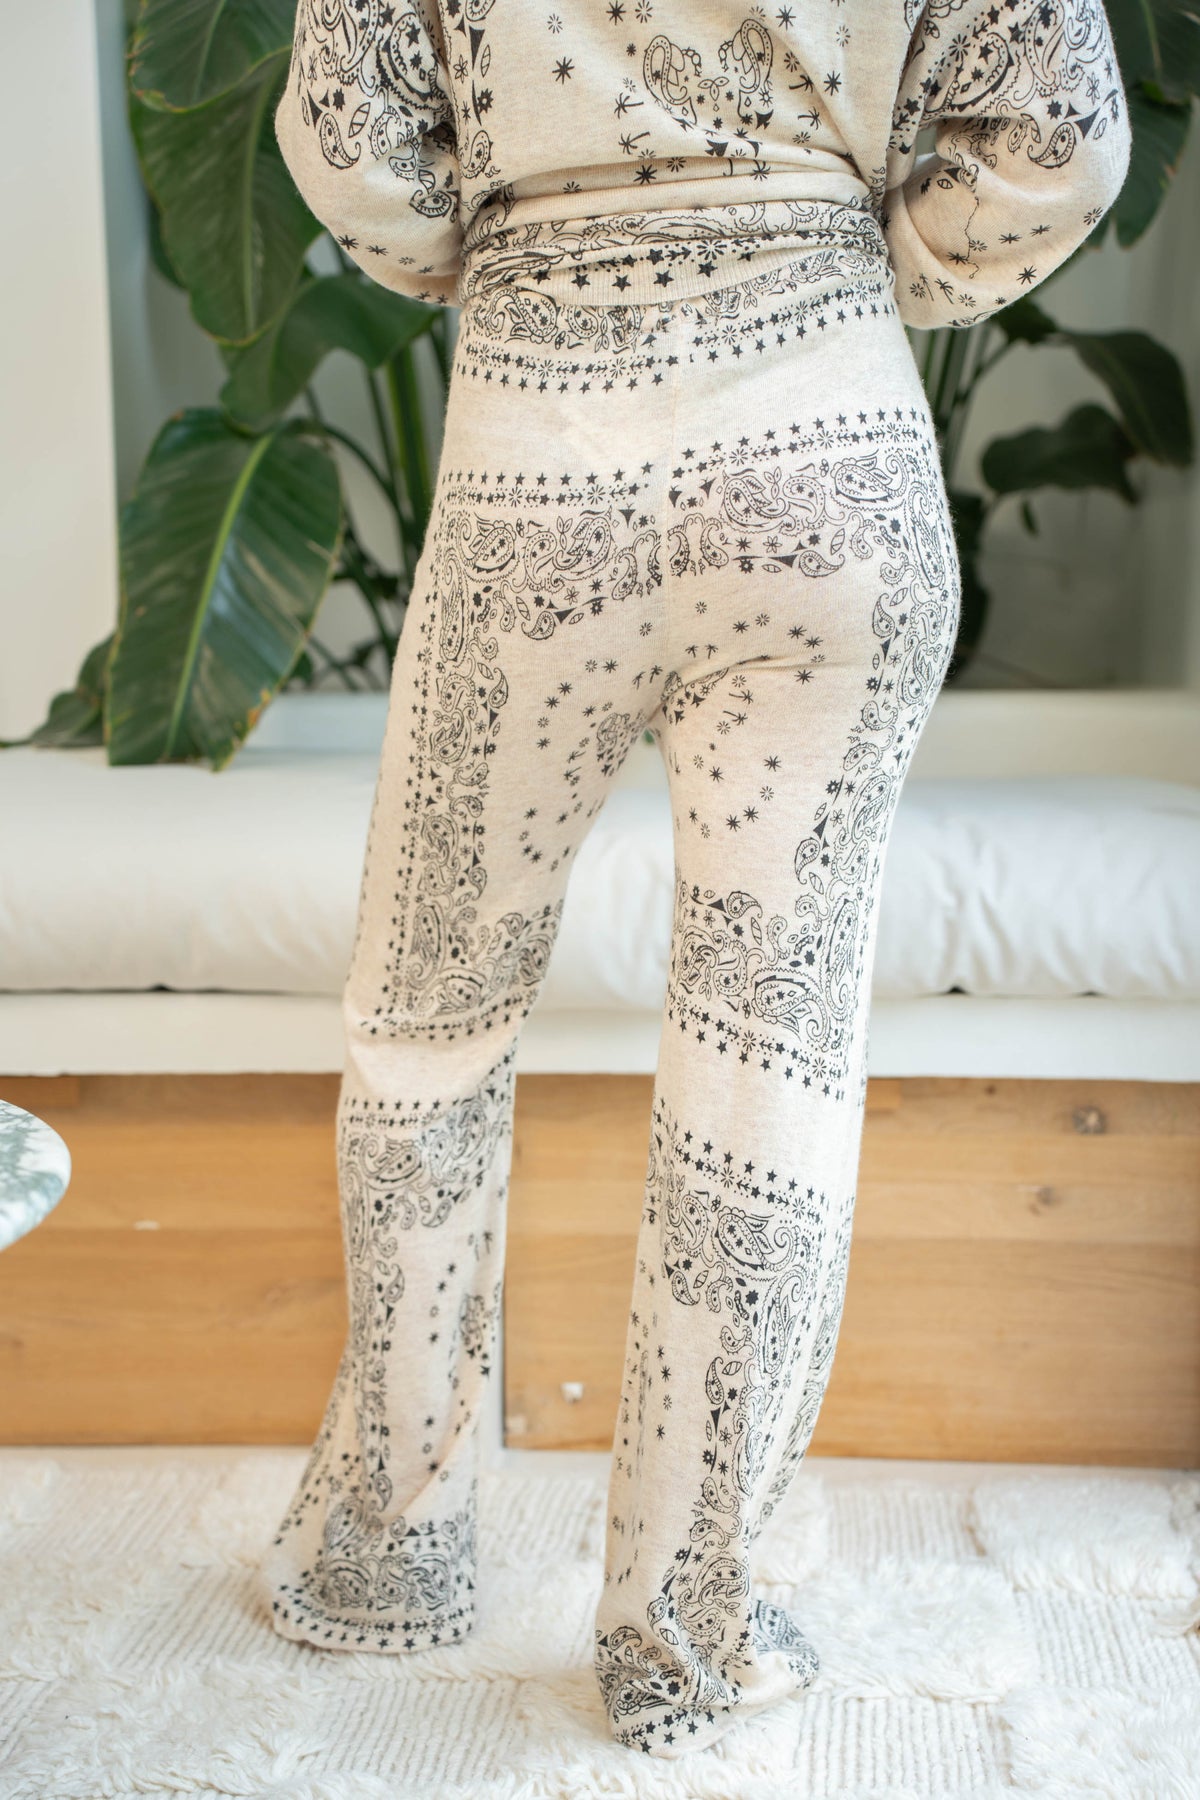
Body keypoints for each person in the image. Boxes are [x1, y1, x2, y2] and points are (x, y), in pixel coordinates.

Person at [259, 0, 1131, 1760]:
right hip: (828, 451)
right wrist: (867, 266)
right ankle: (687, 1629)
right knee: (770, 1058)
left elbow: (352, 134)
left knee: (429, 1018)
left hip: (542, 456)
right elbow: (1062, 132)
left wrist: (502, 253)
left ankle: (388, 1551)